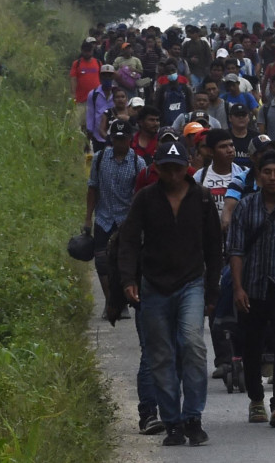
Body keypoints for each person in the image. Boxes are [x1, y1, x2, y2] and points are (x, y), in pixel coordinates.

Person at [118, 140, 222, 447]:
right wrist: (128, 280)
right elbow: (128, 241)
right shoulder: (145, 199)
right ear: (157, 168)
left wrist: (212, 291)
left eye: (178, 168)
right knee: (160, 355)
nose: (173, 175)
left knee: (192, 345)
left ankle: (193, 417)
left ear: (187, 166)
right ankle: (172, 422)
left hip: (191, 283)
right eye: (166, 169)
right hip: (154, 286)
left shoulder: (202, 199)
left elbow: (214, 249)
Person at [227, 151, 275, 428]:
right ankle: (256, 400)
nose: (272, 177)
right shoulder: (245, 207)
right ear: (258, 176)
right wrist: (238, 287)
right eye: (267, 172)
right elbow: (235, 250)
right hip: (252, 286)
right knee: (251, 345)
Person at [86, 119, 147, 318]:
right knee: (102, 262)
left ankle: (124, 300)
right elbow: (93, 188)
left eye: (124, 139)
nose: (120, 143)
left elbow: (141, 193)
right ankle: (110, 301)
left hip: (126, 219)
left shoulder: (138, 162)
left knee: (126, 261)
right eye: (117, 139)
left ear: (130, 139)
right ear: (111, 139)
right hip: (104, 217)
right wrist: (88, 218)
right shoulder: (100, 158)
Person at [193, 129, 246, 216]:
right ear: (210, 151)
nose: (230, 150)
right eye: (223, 146)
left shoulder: (244, 174)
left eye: (231, 145)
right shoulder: (199, 176)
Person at [85, 64, 118, 151]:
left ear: (113, 77)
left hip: (114, 138)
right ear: (100, 77)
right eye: (104, 75)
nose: (107, 78)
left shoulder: (118, 94)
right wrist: (88, 138)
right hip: (98, 136)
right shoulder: (93, 94)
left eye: (109, 75)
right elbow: (90, 115)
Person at [227, 104, 260, 168]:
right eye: (237, 115)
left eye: (244, 115)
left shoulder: (256, 138)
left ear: (249, 118)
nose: (241, 117)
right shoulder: (223, 136)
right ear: (230, 118)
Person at [71, 40, 103, 104]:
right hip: (81, 99)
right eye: (85, 51)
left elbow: (102, 78)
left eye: (89, 51)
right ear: (82, 51)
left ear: (92, 51)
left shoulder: (98, 63)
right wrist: (73, 95)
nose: (87, 53)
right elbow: (73, 79)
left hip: (96, 99)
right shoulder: (77, 64)